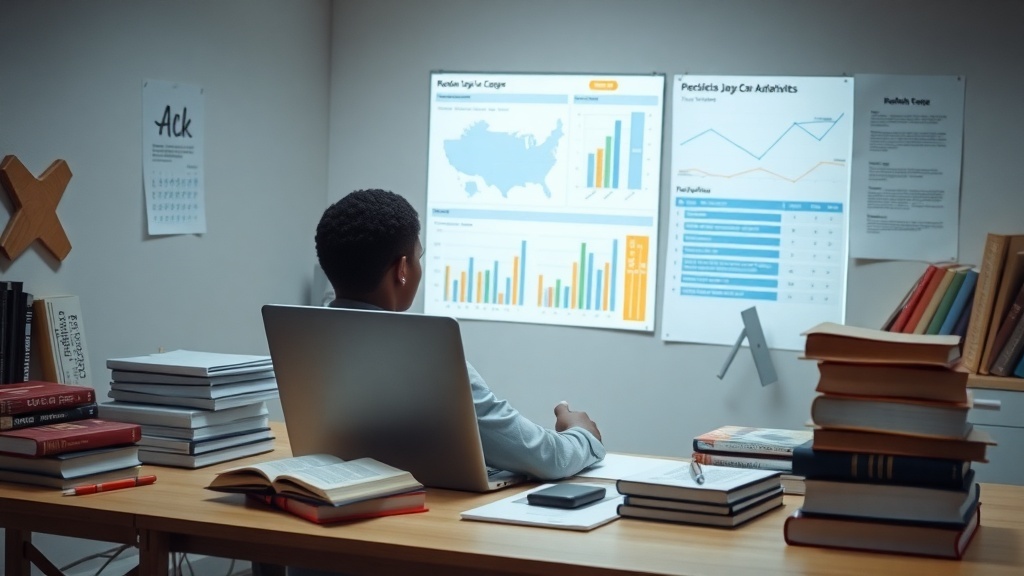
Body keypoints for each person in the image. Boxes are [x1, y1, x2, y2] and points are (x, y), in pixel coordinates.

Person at [314, 188, 606, 479]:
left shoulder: (307, 338)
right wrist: (582, 434)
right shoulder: (427, 353)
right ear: (402, 269)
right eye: (419, 257)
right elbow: (546, 458)